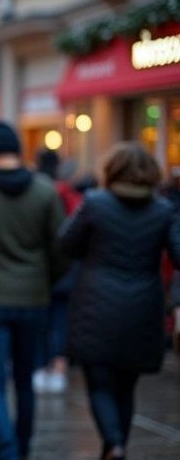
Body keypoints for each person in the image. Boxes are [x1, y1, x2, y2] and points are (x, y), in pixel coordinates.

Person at [59, 142, 180, 460]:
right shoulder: (163, 210)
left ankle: (113, 444)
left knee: (99, 382)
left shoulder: (96, 203)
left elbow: (66, 242)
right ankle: (115, 447)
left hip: (96, 304)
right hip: (143, 306)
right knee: (127, 386)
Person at [0, 121, 65, 460]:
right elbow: (59, 248)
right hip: (34, 298)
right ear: (18, 150)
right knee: (25, 380)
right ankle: (21, 448)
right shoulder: (45, 190)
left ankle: (5, 450)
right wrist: (46, 281)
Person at [33, 150, 82, 395]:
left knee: (42, 320)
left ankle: (42, 367)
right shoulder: (68, 194)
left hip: (41, 268)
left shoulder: (35, 191)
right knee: (61, 320)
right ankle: (60, 368)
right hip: (66, 268)